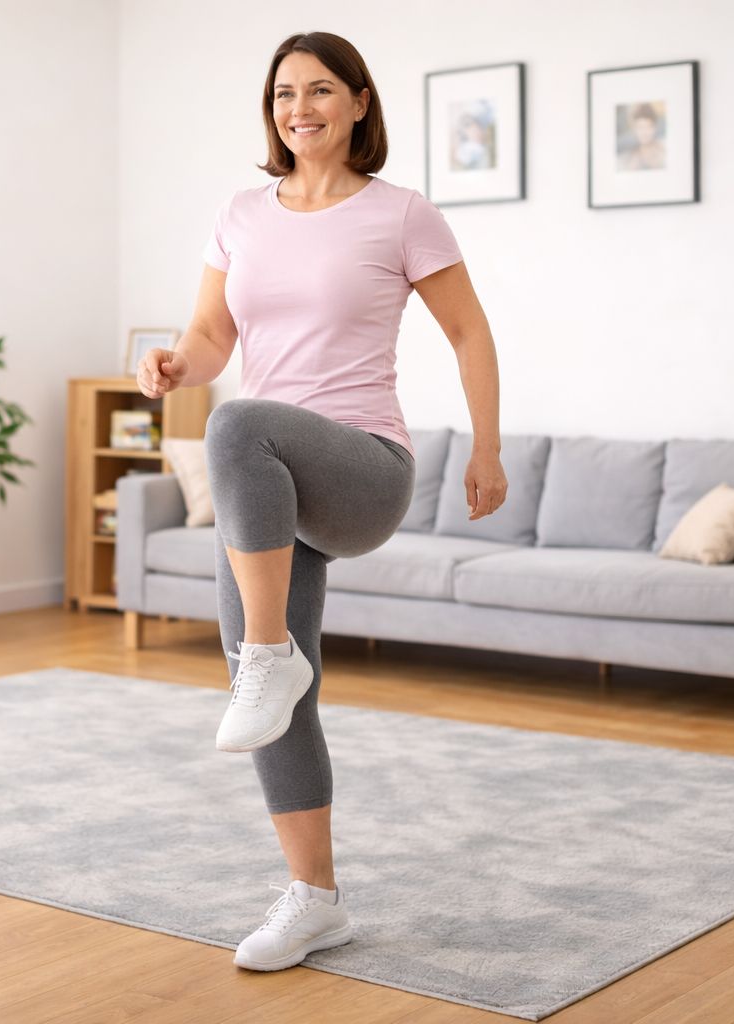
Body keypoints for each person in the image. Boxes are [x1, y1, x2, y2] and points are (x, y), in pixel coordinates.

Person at [136, 30, 506, 973]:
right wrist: (177, 364)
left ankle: (269, 654)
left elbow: (468, 333)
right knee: (273, 705)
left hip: (361, 470)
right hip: (269, 486)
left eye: (320, 91)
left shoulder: (401, 215)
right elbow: (212, 338)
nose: (299, 108)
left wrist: (488, 450)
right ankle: (316, 901)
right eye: (283, 94)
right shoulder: (241, 214)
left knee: (233, 430)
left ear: (358, 105)